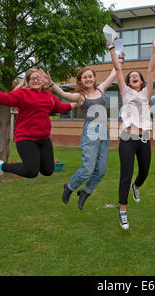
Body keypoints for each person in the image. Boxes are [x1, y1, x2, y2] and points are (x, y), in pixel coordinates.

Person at [38, 64, 120, 210]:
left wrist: (119, 58)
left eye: (90, 76)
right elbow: (64, 95)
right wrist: (51, 83)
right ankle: (69, 187)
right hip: (90, 133)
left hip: (104, 133)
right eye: (85, 77)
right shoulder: (80, 97)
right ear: (81, 80)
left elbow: (114, 73)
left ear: (94, 78)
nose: (88, 79)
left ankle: (86, 191)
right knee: (88, 168)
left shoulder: (100, 89)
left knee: (101, 170)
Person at [0, 68, 76, 184]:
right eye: (32, 78)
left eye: (38, 78)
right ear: (28, 81)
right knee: (31, 171)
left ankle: (30, 164)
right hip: (26, 138)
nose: (36, 80)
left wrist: (79, 101)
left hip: (44, 139)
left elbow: (61, 107)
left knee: (48, 170)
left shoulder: (49, 96)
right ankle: (2, 166)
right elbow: (2, 98)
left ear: (44, 81)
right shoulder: (22, 94)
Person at [108, 40, 155, 230]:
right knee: (125, 174)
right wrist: (112, 49)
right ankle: (122, 211)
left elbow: (151, 70)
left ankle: (136, 188)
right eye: (132, 76)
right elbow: (118, 70)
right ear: (128, 82)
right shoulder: (125, 92)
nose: (134, 77)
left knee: (144, 171)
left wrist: (154, 52)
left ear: (142, 81)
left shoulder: (147, 93)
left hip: (144, 138)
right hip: (128, 138)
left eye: (138, 76)